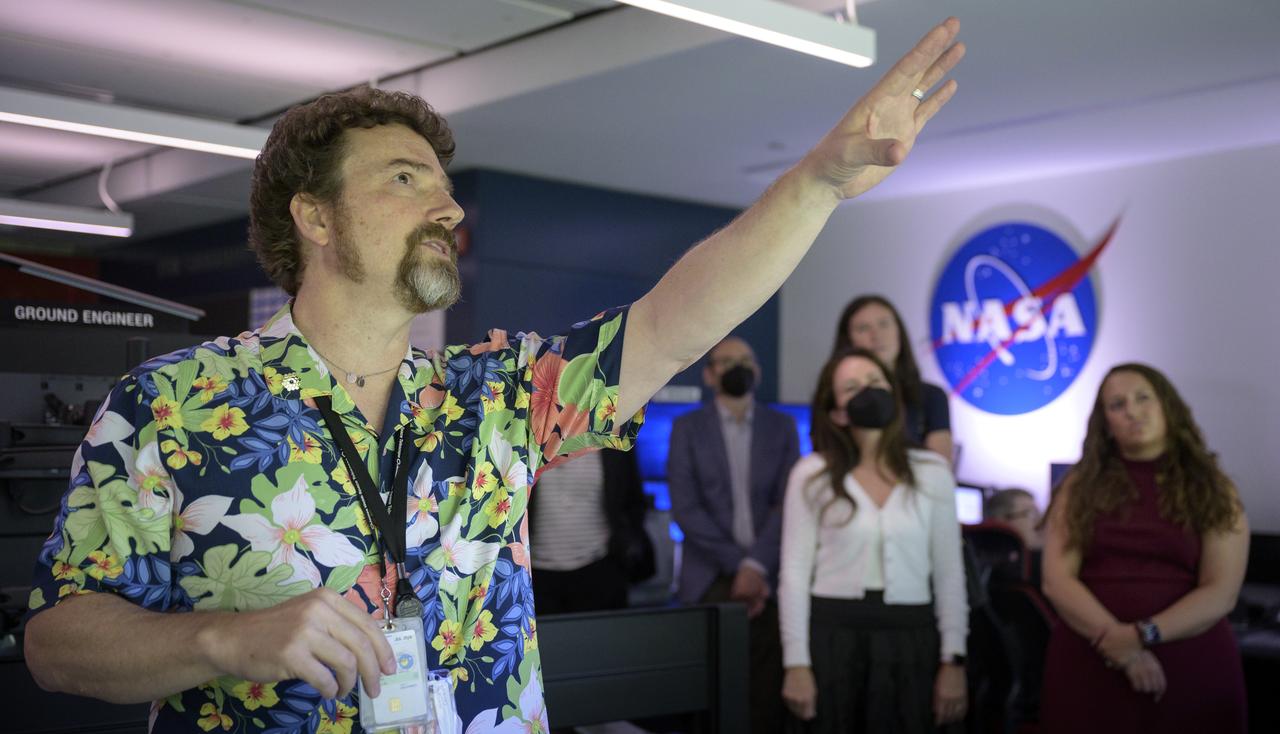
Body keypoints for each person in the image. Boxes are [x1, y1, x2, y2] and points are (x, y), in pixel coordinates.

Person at [21, 19, 966, 734]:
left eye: (444, 182)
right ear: (313, 216)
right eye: (404, 178)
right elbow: (56, 642)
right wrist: (218, 640)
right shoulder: (170, 404)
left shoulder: (494, 397)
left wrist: (818, 184)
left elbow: (674, 327)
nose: (448, 203)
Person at [1040, 364, 1249, 733]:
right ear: (1105, 423)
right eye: (1117, 405)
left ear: (1168, 405)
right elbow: (1057, 580)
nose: (1132, 411)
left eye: (1142, 398)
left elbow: (1221, 591)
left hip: (1189, 663)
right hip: (1092, 659)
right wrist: (1121, 647)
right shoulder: (1079, 486)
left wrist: (1139, 636)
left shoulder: (1213, 488)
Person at [780, 347, 968, 733]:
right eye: (851, 387)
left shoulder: (932, 472)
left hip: (912, 638)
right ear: (836, 411)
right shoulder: (811, 474)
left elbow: (950, 573)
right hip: (833, 638)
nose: (867, 391)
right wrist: (795, 662)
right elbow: (794, 574)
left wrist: (954, 658)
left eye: (875, 382)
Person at [668, 336, 801, 734]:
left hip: (771, 580)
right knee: (707, 698)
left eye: (746, 360)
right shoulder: (686, 428)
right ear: (710, 375)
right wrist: (741, 565)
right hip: (708, 578)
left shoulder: (783, 427)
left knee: (764, 697)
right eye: (727, 361)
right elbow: (686, 508)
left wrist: (756, 565)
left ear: (757, 371)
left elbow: (787, 504)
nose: (738, 367)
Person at [528, 447, 653, 615]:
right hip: (533, 578)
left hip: (600, 571)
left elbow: (633, 501)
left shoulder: (614, 439)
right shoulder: (523, 437)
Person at [831, 295, 952, 460]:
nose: (876, 335)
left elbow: (940, 470)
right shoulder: (835, 399)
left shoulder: (931, 397)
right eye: (863, 328)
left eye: (884, 324)